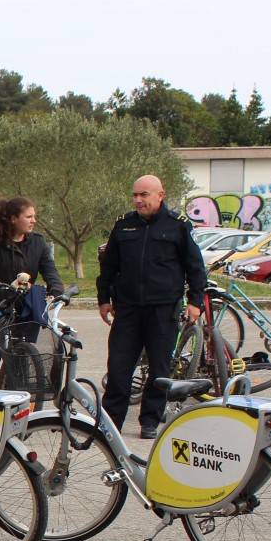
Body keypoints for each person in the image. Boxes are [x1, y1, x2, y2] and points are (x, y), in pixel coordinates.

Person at [96, 174, 206, 439]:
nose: (137, 200)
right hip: (128, 309)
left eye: (143, 195)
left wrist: (195, 301)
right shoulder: (124, 225)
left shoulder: (178, 225)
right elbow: (109, 265)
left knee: (159, 368)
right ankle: (111, 423)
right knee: (119, 368)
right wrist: (103, 299)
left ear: (160, 195)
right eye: (135, 195)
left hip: (163, 309)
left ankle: (149, 421)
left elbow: (195, 266)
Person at [0, 196, 64, 357]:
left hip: (23, 308)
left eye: (34, 216)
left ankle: (13, 383)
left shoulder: (38, 243)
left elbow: (50, 270)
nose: (34, 221)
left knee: (20, 361)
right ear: (14, 219)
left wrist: (56, 289)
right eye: (29, 217)